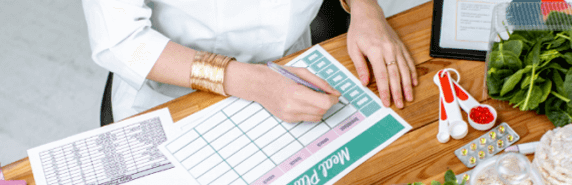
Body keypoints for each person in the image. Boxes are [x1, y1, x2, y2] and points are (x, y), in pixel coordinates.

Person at [82, 0, 418, 123]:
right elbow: (122, 39)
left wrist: (366, 9)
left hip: (291, 67)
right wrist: (255, 83)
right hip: (176, 96)